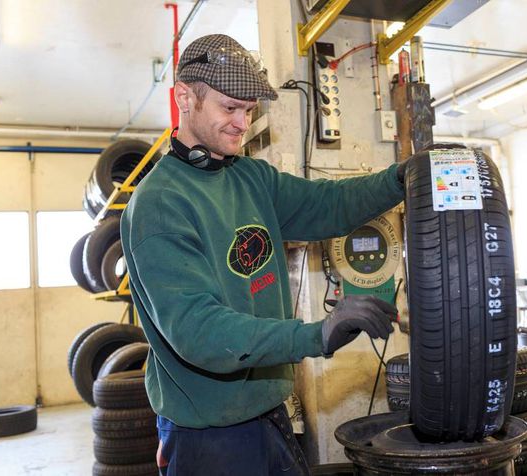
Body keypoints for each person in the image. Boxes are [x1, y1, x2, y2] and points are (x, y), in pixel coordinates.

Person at [121, 34, 406, 475]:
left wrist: (401, 179)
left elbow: (327, 205)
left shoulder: (251, 178)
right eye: (229, 108)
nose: (242, 122)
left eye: (249, 110)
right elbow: (200, 332)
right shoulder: (161, 203)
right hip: (209, 438)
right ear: (185, 98)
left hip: (270, 417)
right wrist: (317, 334)